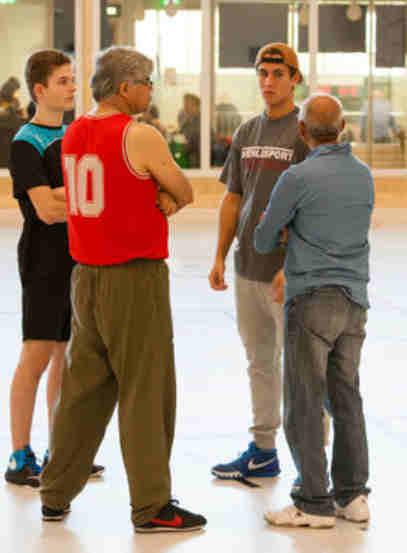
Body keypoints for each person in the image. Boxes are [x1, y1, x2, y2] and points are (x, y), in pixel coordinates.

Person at [40, 46, 207, 533]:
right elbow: (184, 189)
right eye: (147, 81)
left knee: (81, 390)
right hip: (133, 278)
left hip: (85, 278)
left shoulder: (74, 134)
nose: (151, 90)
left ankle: (55, 492)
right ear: (124, 87)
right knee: (146, 390)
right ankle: (152, 505)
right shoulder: (139, 135)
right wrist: (164, 202)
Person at [255, 93, 373, 528]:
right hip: (354, 302)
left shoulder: (296, 178)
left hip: (311, 301)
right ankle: (353, 495)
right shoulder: (364, 175)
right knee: (346, 398)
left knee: (304, 402)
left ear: (302, 132)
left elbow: (263, 239)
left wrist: (287, 229)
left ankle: (312, 501)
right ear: (342, 129)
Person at [209, 43, 309, 483]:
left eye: (276, 74)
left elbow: (316, 208)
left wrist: (296, 265)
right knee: (260, 362)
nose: (268, 82)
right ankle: (263, 450)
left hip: (288, 275)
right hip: (246, 267)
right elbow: (233, 198)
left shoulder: (306, 134)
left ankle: (312, 465)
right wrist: (218, 254)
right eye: (262, 74)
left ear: (294, 79)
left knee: (303, 369)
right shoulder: (248, 132)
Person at [4, 50, 104, 488]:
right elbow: (45, 209)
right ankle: (20, 455)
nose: (71, 87)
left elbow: (83, 192)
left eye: (72, 79)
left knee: (66, 358)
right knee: (38, 355)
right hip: (43, 259)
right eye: (63, 81)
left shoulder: (73, 133)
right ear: (40, 90)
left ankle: (59, 452)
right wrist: (79, 198)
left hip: (76, 256)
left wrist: (70, 195)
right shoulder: (25, 141)